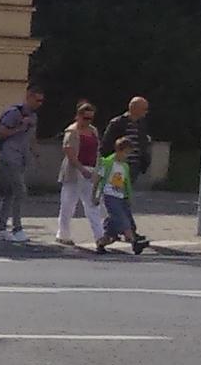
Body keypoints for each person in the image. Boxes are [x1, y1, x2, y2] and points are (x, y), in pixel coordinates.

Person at [0, 85, 43, 241]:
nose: (39, 103)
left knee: (10, 193)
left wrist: (36, 153)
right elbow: (1, 132)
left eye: (41, 100)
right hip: (9, 156)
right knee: (20, 191)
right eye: (37, 99)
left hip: (22, 158)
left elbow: (32, 136)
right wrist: (20, 127)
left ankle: (0, 228)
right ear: (29, 97)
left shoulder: (33, 117)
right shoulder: (14, 113)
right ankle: (17, 228)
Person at [98, 96, 150, 245]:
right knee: (119, 200)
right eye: (144, 109)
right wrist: (111, 163)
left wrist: (144, 161)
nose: (146, 112)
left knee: (121, 200)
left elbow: (143, 144)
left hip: (131, 168)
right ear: (134, 108)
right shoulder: (118, 123)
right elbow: (105, 145)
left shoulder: (141, 124)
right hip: (117, 168)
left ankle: (110, 234)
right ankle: (128, 233)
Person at [53, 100, 104, 247]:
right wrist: (81, 168)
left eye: (90, 118)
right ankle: (63, 234)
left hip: (91, 169)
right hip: (74, 171)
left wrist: (97, 170)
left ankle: (99, 237)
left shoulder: (93, 131)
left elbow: (97, 150)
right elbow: (69, 152)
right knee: (68, 204)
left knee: (92, 205)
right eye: (85, 118)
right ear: (78, 116)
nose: (87, 121)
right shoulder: (72, 131)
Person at [97, 133, 143, 253]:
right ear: (118, 150)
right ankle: (134, 243)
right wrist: (95, 195)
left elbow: (126, 183)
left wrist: (129, 197)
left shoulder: (125, 166)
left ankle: (101, 243)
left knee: (112, 229)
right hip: (109, 196)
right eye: (125, 153)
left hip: (120, 196)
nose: (126, 156)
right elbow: (98, 179)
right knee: (123, 220)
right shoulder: (107, 163)